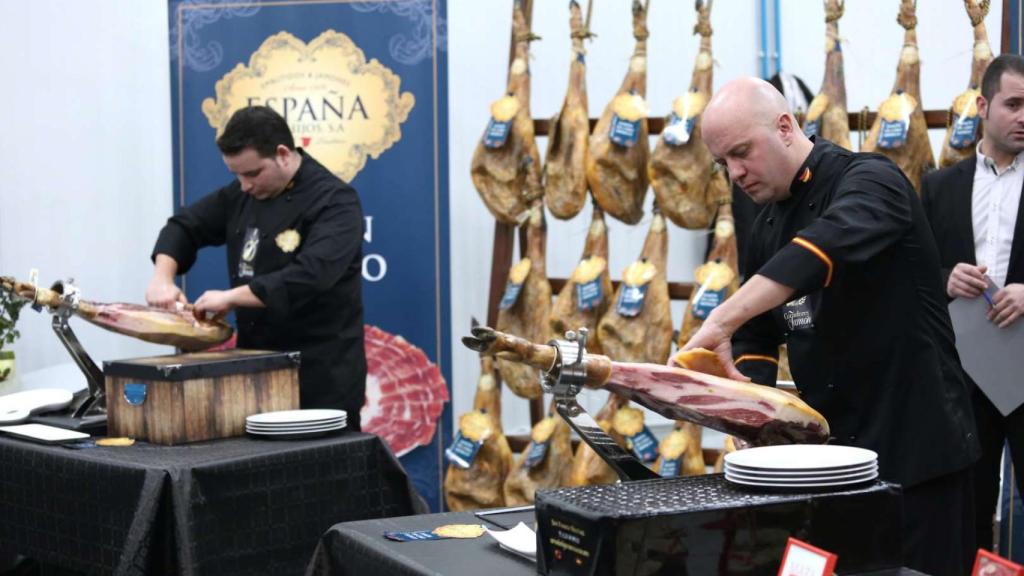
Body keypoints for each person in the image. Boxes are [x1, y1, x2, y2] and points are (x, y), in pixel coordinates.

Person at [682, 77, 979, 575]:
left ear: (783, 126)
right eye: (722, 163)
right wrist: (754, 408)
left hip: (917, 458)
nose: (734, 173)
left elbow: (822, 250)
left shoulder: (870, 180)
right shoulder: (765, 222)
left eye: (741, 153)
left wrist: (719, 317)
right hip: (831, 464)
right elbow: (758, 333)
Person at [146, 105, 367, 430]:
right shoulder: (241, 194)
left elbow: (311, 276)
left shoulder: (336, 201)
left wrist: (231, 298)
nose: (245, 185)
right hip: (255, 366)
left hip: (321, 374)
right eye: (236, 175)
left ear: (282, 154)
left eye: (252, 173)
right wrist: (162, 278)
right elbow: (184, 226)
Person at [922, 54, 1024, 552]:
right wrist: (945, 278)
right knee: (968, 506)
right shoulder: (939, 188)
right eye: (1014, 104)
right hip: (966, 374)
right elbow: (912, 275)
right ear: (983, 105)